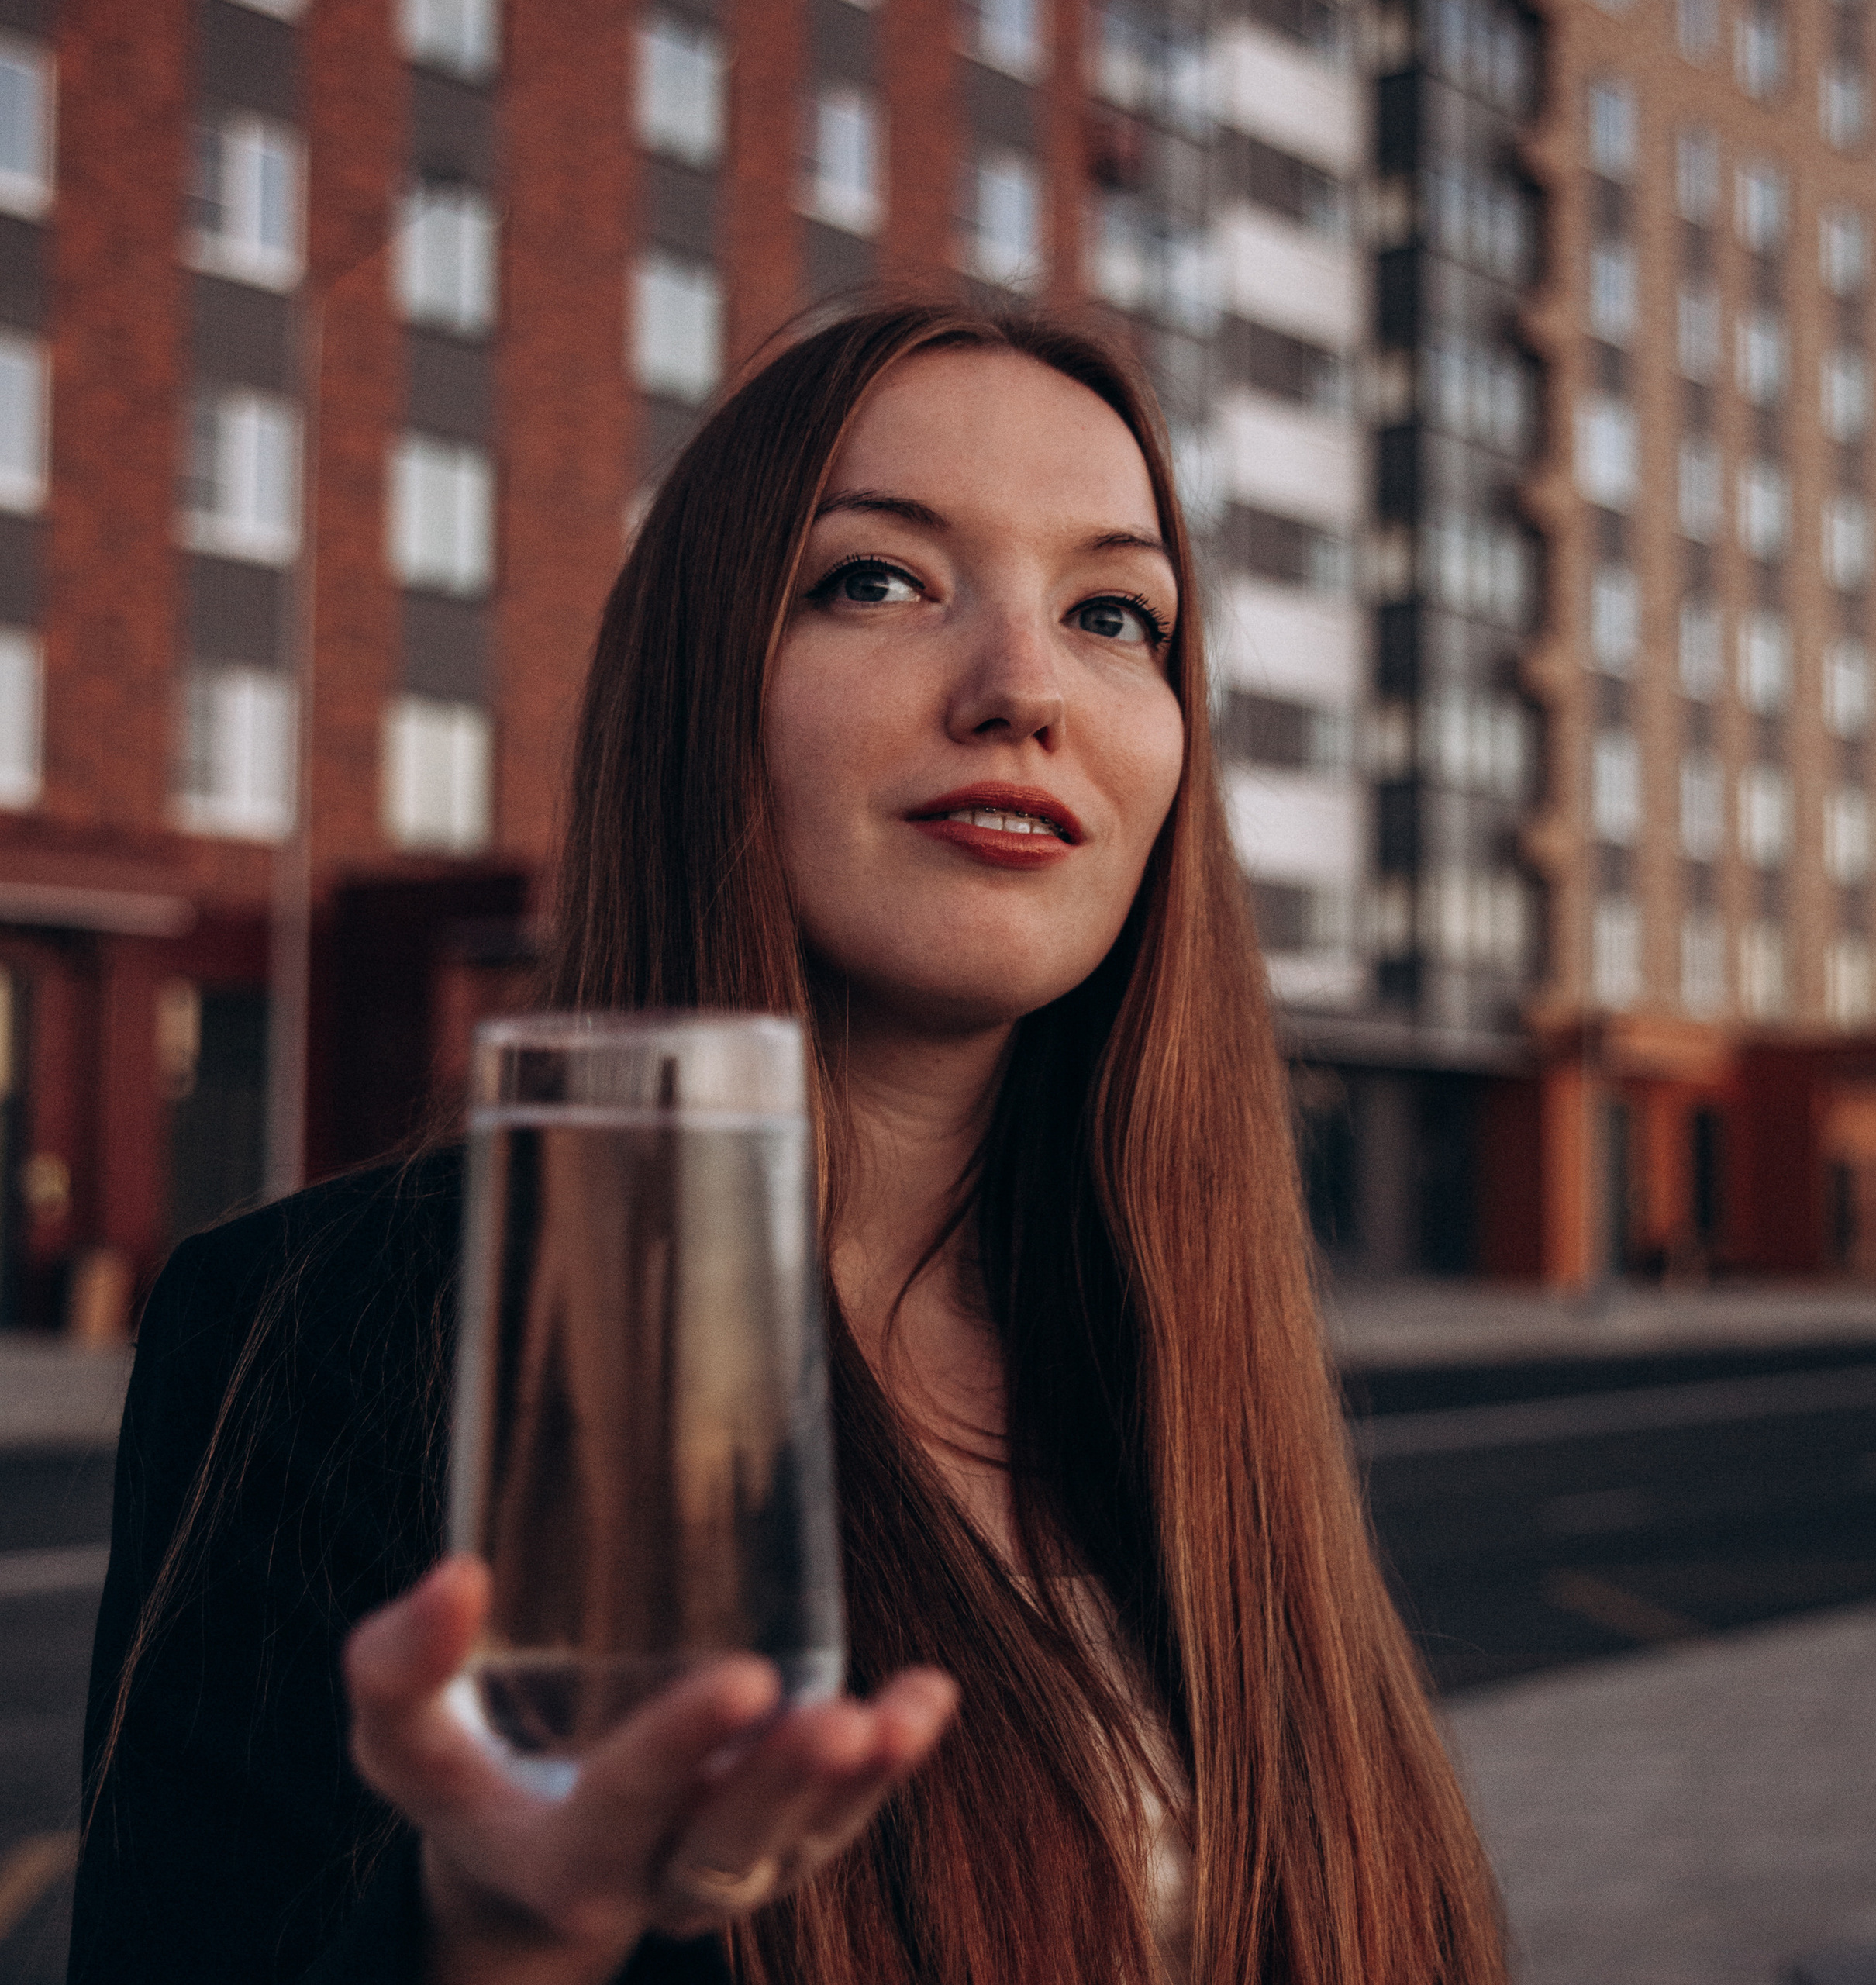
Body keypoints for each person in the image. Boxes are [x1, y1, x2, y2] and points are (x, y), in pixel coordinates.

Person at [71, 299, 1506, 1985]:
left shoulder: (1197, 1344)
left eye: (1114, 612)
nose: (1024, 687)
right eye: (878, 578)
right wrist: (498, 1937)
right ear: (702, 687)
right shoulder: (326, 1325)